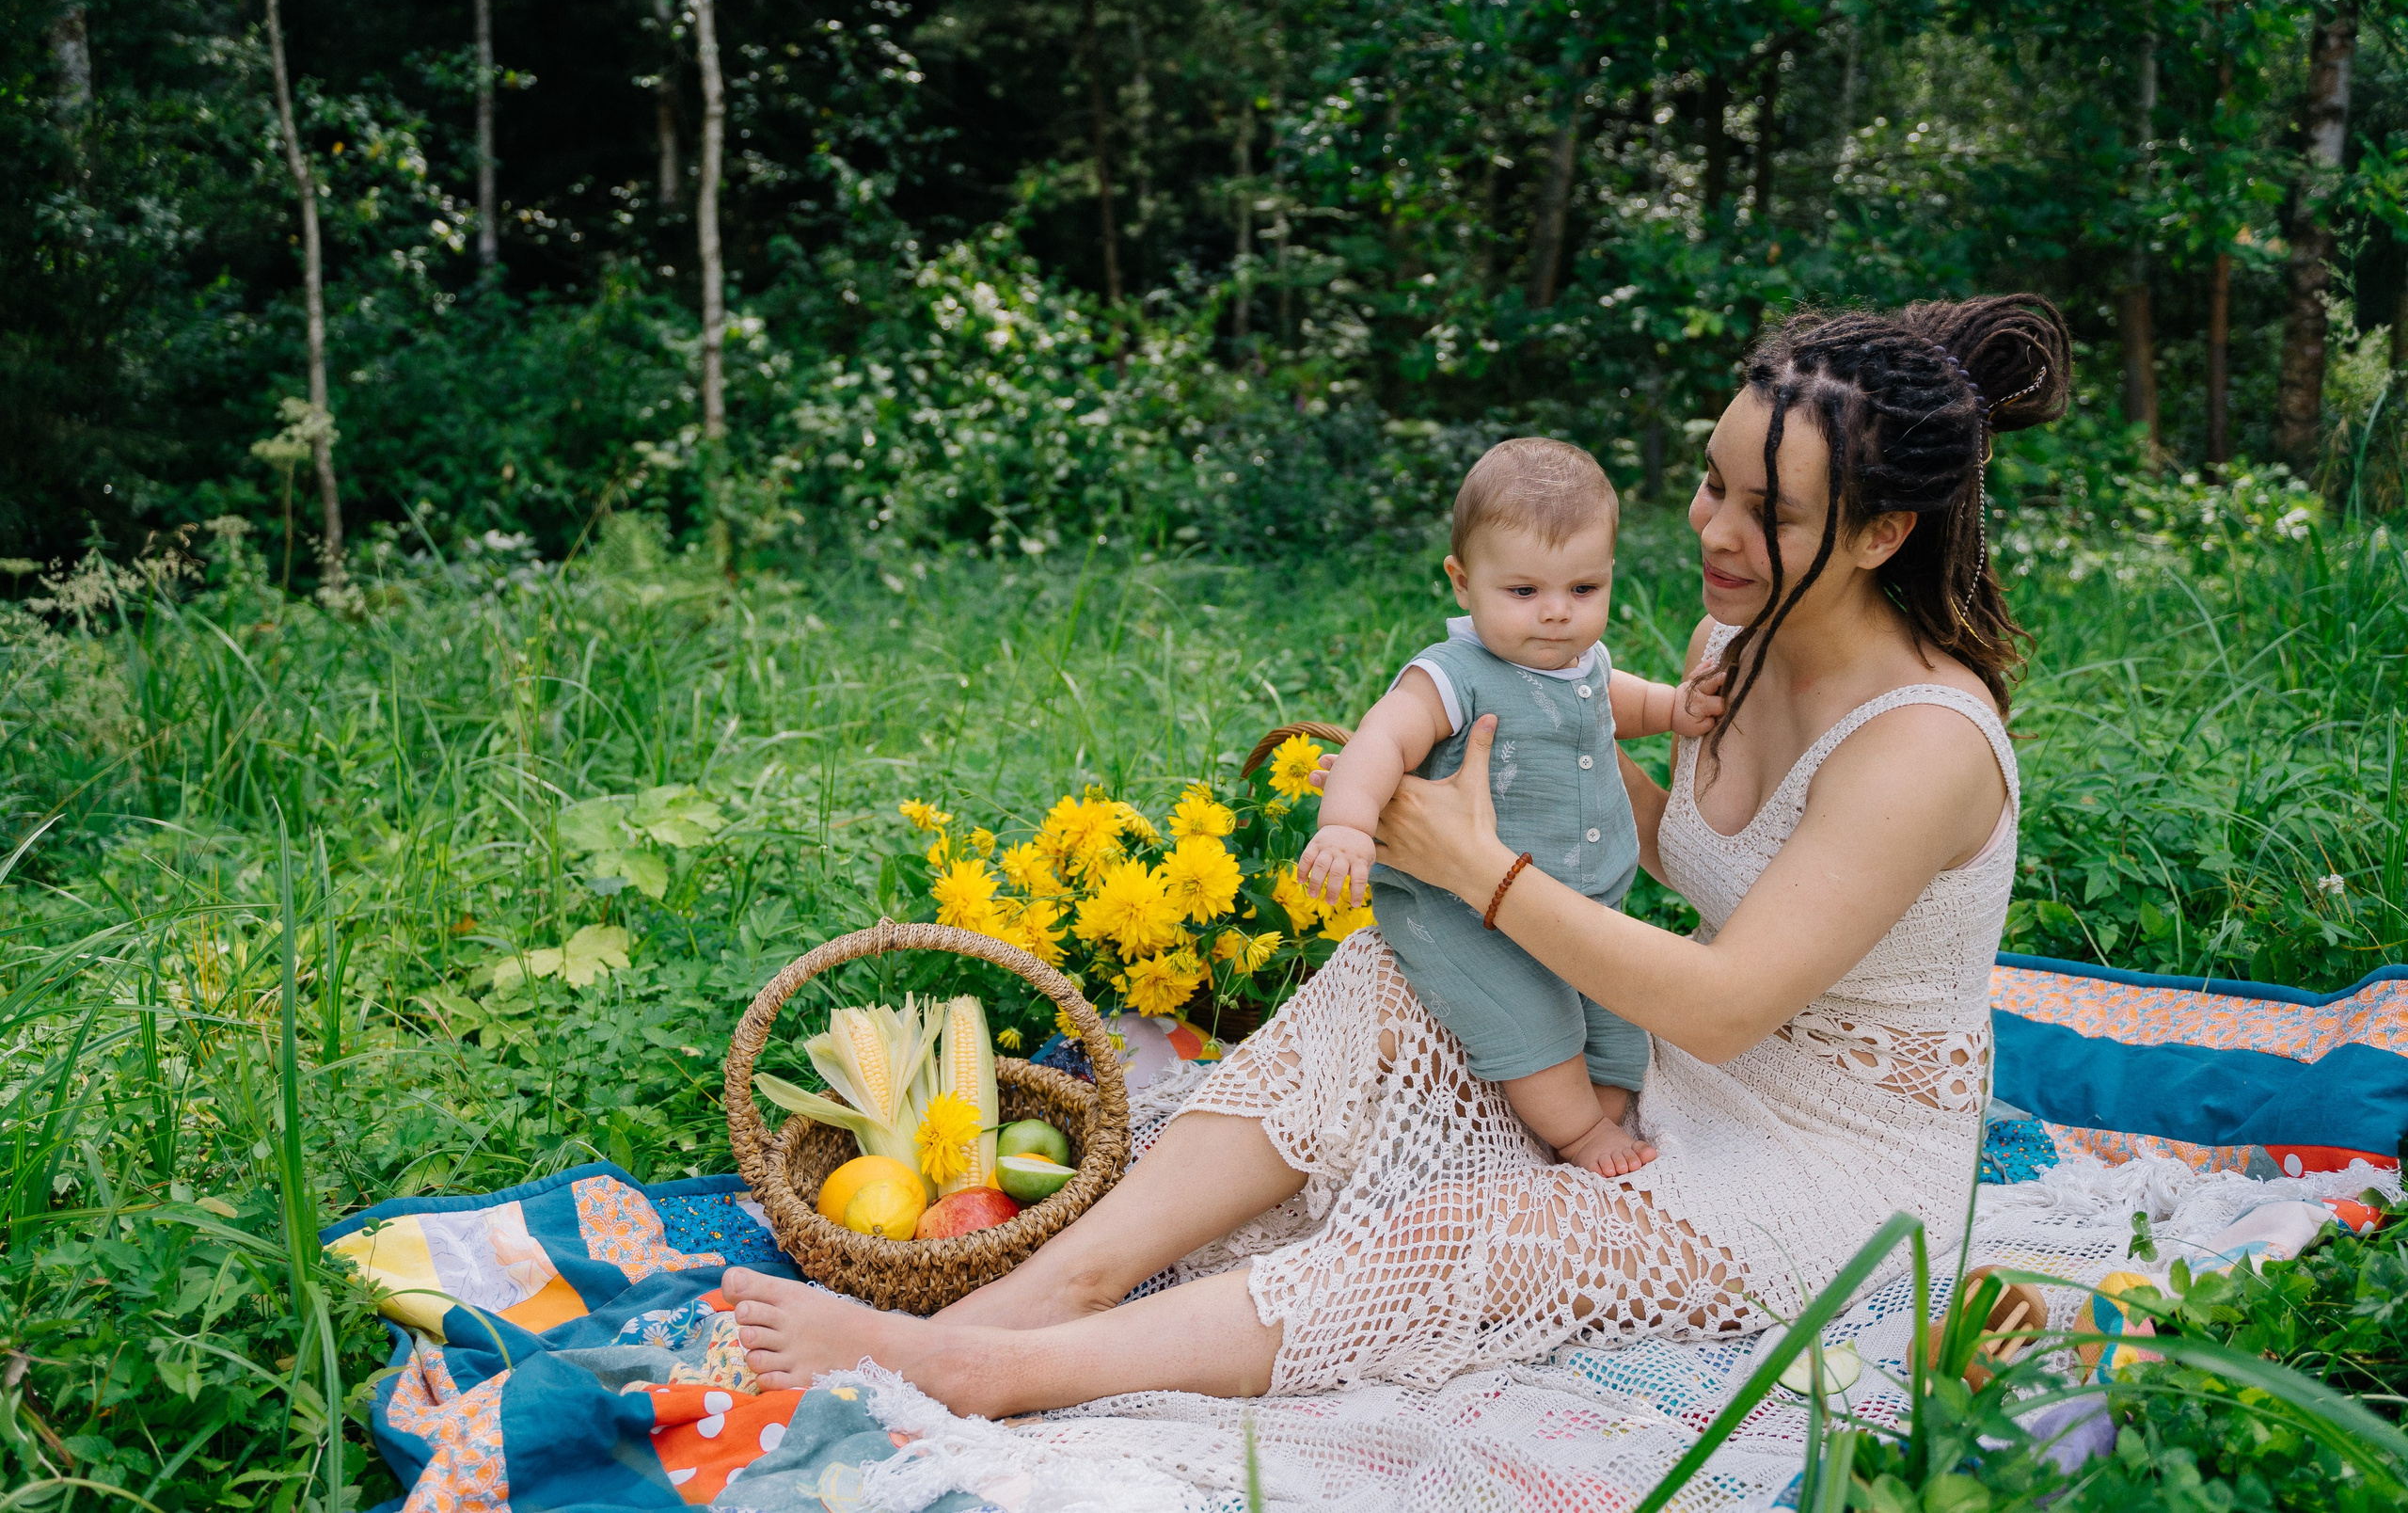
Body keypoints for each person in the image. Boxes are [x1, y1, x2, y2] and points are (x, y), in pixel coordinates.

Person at [723, 294, 2067, 1419]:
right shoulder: (1737, 638)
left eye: (1765, 511)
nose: (1714, 530)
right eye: (1711, 479)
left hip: (1829, 1172)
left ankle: (990, 1368)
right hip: (1656, 1068)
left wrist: (1486, 867)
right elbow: (1677, 836)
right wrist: (1482, 776)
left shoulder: (1923, 746)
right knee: (1394, 974)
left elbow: (1728, 995)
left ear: (1883, 533)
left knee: (1461, 1240)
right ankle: (1058, 1274)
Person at [1298, 437, 1719, 1179]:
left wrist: (1675, 707)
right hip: (1466, 914)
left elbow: (1615, 699)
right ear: (1462, 582)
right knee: (1536, 1023)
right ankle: (1579, 1136)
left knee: (1622, 1025)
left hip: (1580, 905)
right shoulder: (1453, 674)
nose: (1556, 614)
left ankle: (1593, 1111)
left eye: (1583, 590)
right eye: (1523, 592)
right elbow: (1380, 741)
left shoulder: (1579, 660)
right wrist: (1345, 823)